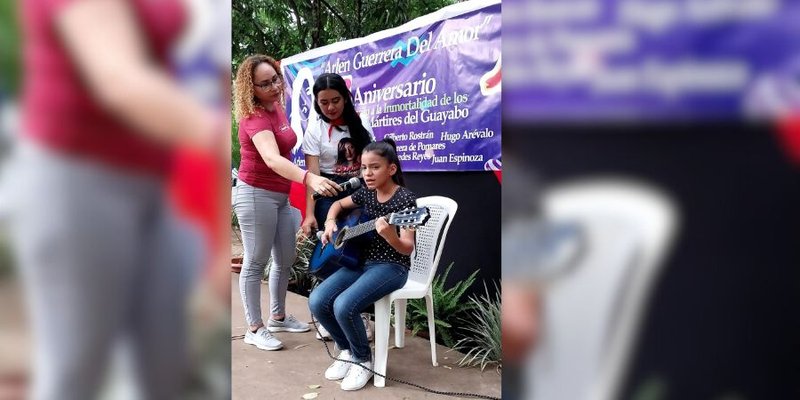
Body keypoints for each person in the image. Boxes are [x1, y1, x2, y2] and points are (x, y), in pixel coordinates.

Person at [11, 0, 228, 398]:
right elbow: (119, 80)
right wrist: (215, 137)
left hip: (155, 184)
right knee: (77, 366)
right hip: (75, 175)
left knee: (164, 363)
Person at [232, 54, 342, 351]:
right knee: (255, 261)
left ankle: (278, 316)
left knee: (285, 258)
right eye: (265, 84)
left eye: (276, 79)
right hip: (256, 193)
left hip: (281, 196)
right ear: (250, 88)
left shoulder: (277, 108)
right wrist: (309, 179)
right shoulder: (254, 117)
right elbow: (271, 158)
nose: (274, 87)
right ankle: (254, 328)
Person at [309, 138, 416, 391]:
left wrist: (390, 235)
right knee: (317, 300)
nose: (367, 173)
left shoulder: (406, 201)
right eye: (364, 167)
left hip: (392, 266)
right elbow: (336, 204)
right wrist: (330, 223)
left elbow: (407, 247)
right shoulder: (366, 192)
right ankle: (347, 351)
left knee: (344, 304)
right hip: (360, 261)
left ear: (391, 169)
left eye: (375, 167)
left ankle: (363, 360)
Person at [300, 72, 374, 237]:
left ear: (345, 98)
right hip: (327, 192)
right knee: (332, 240)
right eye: (324, 102)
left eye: (335, 100)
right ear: (317, 103)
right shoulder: (314, 129)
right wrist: (309, 215)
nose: (330, 108)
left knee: (364, 237)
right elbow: (313, 176)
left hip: (360, 188)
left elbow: (374, 159)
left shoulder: (361, 121)